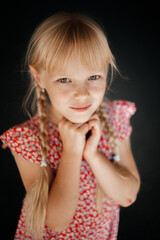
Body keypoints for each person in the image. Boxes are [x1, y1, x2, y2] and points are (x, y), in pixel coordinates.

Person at [0, 11, 140, 240]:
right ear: (39, 77)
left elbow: (127, 196)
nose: (82, 94)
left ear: (106, 70)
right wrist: (73, 151)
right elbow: (56, 222)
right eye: (64, 80)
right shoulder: (28, 139)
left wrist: (92, 154)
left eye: (93, 77)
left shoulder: (115, 119)